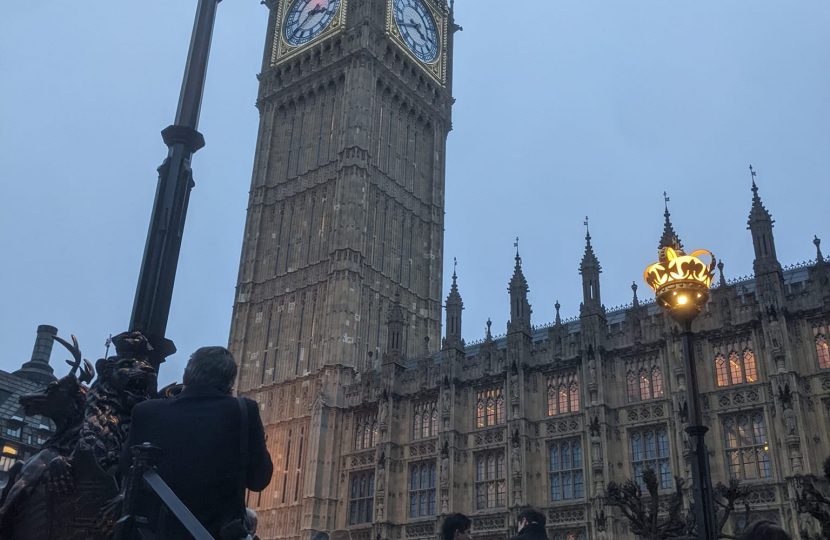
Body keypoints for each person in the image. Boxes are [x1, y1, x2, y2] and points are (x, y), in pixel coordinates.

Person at [122, 346, 273, 540]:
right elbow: (259, 480)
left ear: (185, 374)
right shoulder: (243, 411)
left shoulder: (145, 412)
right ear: (230, 382)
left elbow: (127, 469)